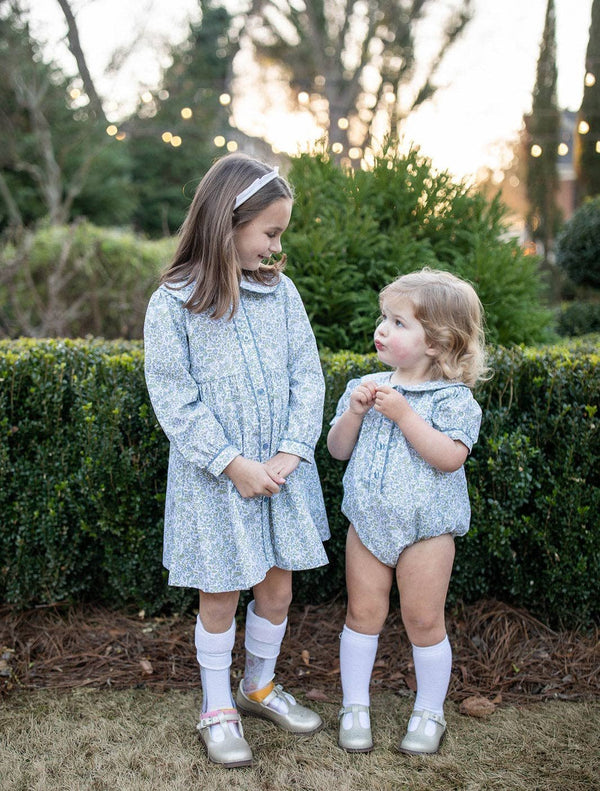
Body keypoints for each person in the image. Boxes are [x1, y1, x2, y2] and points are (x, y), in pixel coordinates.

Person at [144, 153, 329, 769]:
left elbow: (307, 375)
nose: (277, 247)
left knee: (276, 588)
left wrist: (289, 451)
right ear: (227, 221)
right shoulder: (175, 302)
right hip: (216, 482)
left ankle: (259, 684)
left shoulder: (281, 294)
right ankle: (216, 704)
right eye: (270, 233)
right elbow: (174, 397)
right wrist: (231, 463)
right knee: (220, 594)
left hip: (279, 474)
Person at [327, 268, 488, 756]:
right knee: (362, 613)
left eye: (398, 323)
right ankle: (354, 706)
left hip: (427, 529)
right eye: (384, 318)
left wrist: (403, 415)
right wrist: (353, 412)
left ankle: (429, 712)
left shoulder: (453, 399)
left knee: (423, 620)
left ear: (437, 343)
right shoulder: (367, 384)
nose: (382, 329)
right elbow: (337, 450)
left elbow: (450, 456)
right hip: (368, 524)